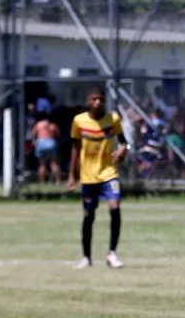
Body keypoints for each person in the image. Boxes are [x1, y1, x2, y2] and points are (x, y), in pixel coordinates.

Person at [68, 86, 129, 269]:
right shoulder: (79, 121)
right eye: (94, 99)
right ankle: (86, 257)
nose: (97, 102)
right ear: (88, 101)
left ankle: (112, 253)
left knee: (115, 207)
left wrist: (122, 150)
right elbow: (75, 149)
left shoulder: (113, 119)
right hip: (88, 176)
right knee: (89, 216)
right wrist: (72, 175)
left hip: (109, 173)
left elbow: (124, 141)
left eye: (101, 99)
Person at [31, 113, 61, 185]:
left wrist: (34, 141)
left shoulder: (38, 124)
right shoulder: (53, 125)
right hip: (51, 142)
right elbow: (58, 135)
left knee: (42, 164)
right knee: (53, 163)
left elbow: (33, 133)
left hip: (41, 142)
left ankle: (42, 182)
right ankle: (57, 181)